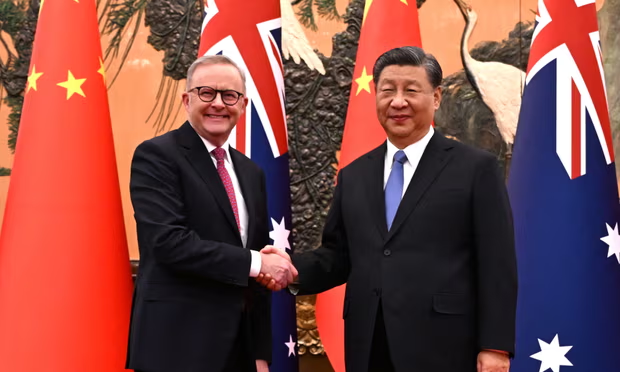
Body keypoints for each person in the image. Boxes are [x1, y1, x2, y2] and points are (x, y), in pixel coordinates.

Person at [261, 46, 517, 372]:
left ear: (436, 97)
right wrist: (288, 271)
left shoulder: (475, 168)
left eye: (411, 90)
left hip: (445, 345)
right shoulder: (354, 174)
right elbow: (337, 257)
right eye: (387, 91)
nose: (398, 101)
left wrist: (495, 346)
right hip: (369, 345)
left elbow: (497, 263)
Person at [126, 55, 297, 372]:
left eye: (229, 95)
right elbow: (169, 243)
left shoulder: (251, 172)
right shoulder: (156, 156)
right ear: (186, 99)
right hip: (176, 349)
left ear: (243, 104)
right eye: (207, 93)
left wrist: (260, 354)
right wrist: (260, 262)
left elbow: (255, 281)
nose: (218, 103)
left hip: (239, 353)